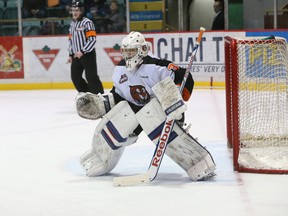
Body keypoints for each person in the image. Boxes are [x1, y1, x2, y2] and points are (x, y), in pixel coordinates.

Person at [75, 31, 216, 181]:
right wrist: (103, 104)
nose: (128, 55)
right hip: (136, 112)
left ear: (142, 50)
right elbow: (119, 95)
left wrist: (176, 96)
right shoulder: (119, 70)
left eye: (132, 51)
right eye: (126, 51)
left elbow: (185, 77)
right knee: (123, 115)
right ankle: (100, 158)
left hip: (163, 112)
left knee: (151, 115)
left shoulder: (156, 66)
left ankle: (197, 162)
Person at [67, 1, 104, 94]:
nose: (75, 12)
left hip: (88, 54)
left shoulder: (87, 22)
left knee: (91, 77)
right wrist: (70, 54)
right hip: (76, 55)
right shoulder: (72, 24)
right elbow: (71, 40)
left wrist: (83, 51)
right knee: (75, 77)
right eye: (73, 10)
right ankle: (88, 95)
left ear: (81, 11)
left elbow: (92, 39)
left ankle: (101, 97)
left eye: (77, 10)